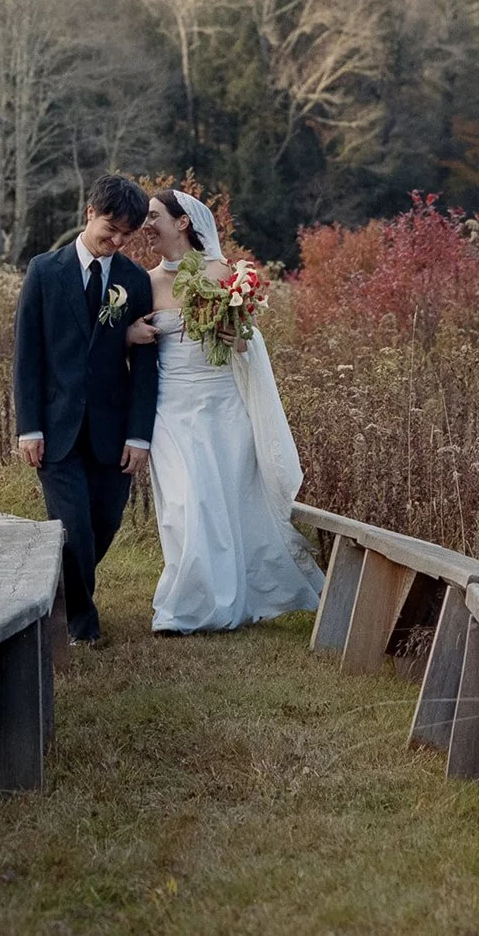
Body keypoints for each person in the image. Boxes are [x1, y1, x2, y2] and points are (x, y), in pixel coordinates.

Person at [126, 188, 323, 633]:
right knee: (184, 502)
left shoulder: (226, 275)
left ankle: (233, 594)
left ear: (182, 222)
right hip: (170, 407)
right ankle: (186, 605)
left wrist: (240, 338)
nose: (145, 224)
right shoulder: (146, 282)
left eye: (153, 215)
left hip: (222, 403)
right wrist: (126, 335)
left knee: (228, 501)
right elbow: (135, 344)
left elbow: (248, 340)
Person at [13, 174, 158, 646]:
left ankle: (47, 597)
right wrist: (28, 427)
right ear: (89, 213)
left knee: (102, 526)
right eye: (109, 229)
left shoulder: (134, 281)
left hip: (113, 432)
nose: (115, 242)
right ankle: (82, 625)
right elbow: (27, 356)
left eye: (125, 236)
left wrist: (139, 437)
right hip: (55, 429)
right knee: (74, 528)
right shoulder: (43, 271)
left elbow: (146, 366)